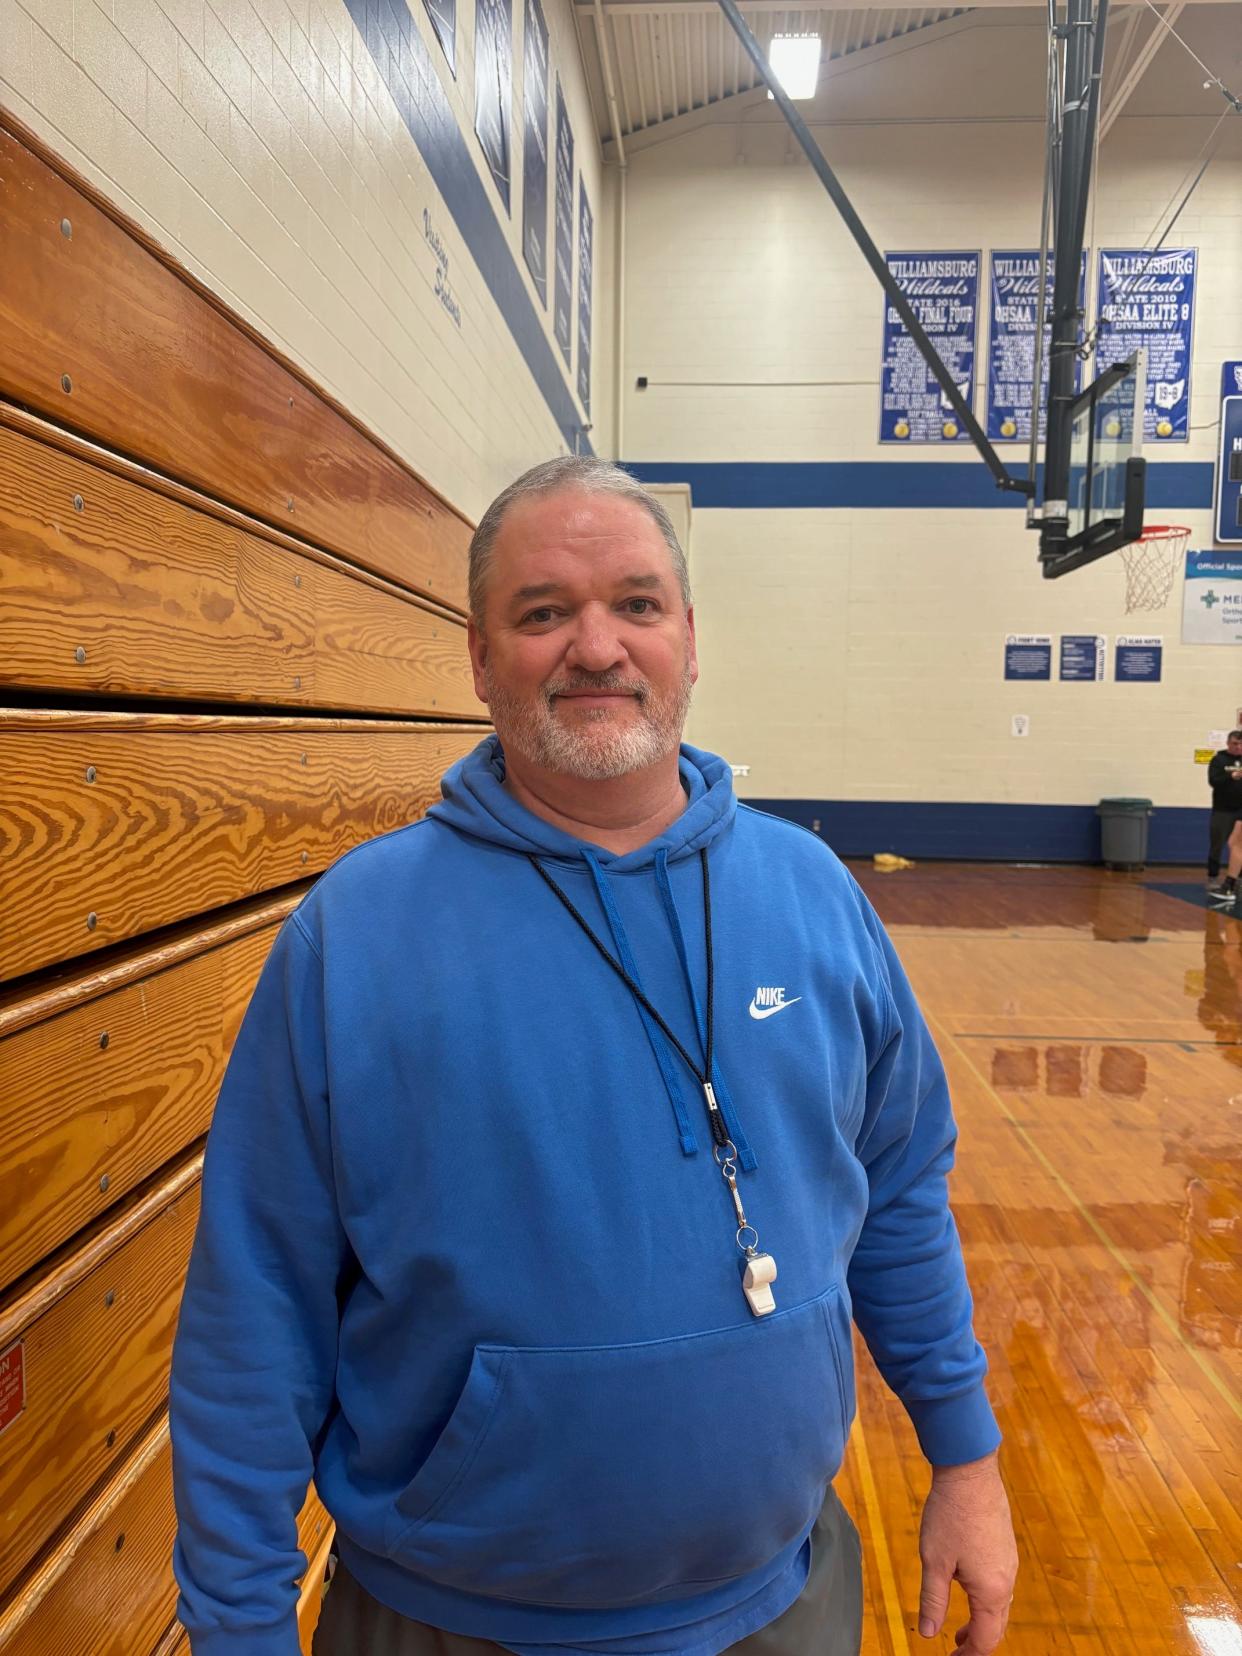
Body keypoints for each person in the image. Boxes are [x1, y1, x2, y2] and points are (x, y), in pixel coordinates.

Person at [169, 458, 1017, 1656]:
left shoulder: (815, 897)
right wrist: (240, 1626)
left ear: (689, 638)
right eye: (543, 611)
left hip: (782, 1602)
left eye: (635, 603)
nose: (597, 646)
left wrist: (965, 1457)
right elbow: (255, 1310)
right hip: (448, 1624)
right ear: (479, 657)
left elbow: (901, 1201)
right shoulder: (353, 936)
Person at [1207, 731, 1242, 904]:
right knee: (1219, 843)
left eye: (1241, 744)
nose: (1238, 747)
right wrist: (1230, 776)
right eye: (1235, 743)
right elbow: (1213, 781)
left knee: (1237, 845)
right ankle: (1213, 877)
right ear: (1228, 743)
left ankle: (1235, 880)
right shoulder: (1219, 760)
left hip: (1240, 810)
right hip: (1223, 809)